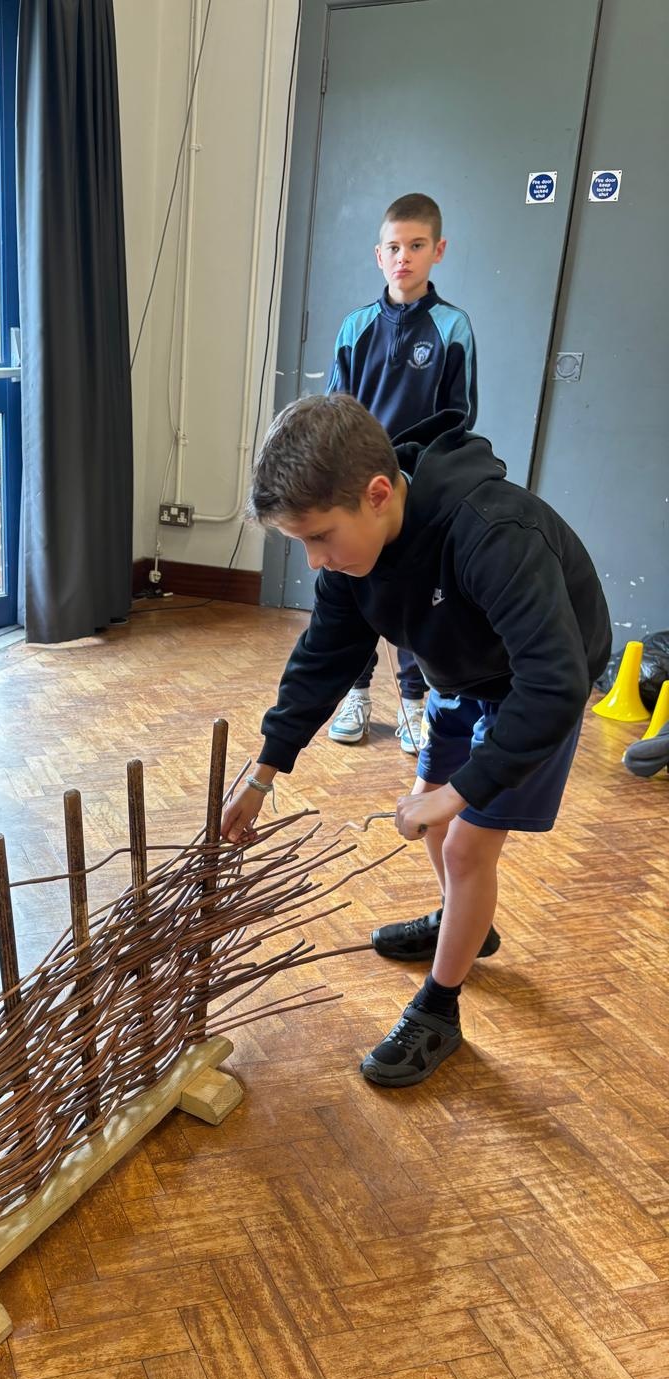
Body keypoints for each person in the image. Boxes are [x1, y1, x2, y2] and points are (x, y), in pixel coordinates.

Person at [221, 394, 610, 1088]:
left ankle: (440, 1008)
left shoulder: (493, 532)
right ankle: (467, 921)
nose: (315, 561)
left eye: (320, 537)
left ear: (378, 495)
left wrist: (461, 792)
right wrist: (263, 773)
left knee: (463, 841)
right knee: (433, 824)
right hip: (458, 673)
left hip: (537, 689)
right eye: (300, 544)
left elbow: (554, 684)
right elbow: (323, 659)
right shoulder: (353, 559)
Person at [325, 192, 477, 755]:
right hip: (355, 489)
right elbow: (333, 413)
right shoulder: (355, 327)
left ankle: (413, 702)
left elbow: (459, 416)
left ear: (438, 250)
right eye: (393, 247)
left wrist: (412, 473)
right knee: (354, 585)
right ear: (378, 255)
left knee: (416, 594)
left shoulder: (453, 327)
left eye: (416, 246)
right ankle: (356, 694)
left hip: (414, 492)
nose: (403, 257)